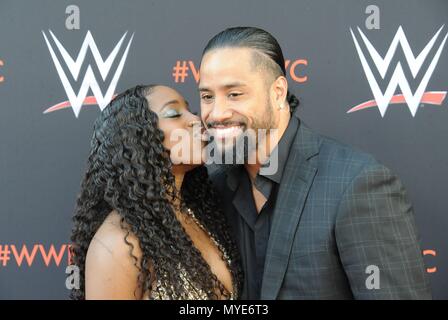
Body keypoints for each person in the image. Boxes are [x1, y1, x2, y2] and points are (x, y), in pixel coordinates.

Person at [199, 26, 432, 299]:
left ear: (277, 92)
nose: (217, 113)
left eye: (235, 94)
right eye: (207, 97)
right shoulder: (211, 184)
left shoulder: (356, 184)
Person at [70, 84, 243, 300]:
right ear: (137, 138)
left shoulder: (201, 216)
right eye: (173, 113)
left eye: (192, 111)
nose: (196, 120)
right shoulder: (119, 245)